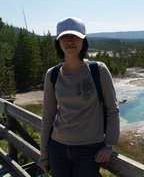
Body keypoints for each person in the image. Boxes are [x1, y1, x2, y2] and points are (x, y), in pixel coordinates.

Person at [38, 17, 120, 177]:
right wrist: (43, 153)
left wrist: (109, 145)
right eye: (65, 37)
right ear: (58, 42)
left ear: (83, 40)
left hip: (89, 150)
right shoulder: (52, 74)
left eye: (75, 36)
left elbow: (112, 109)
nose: (70, 41)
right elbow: (48, 115)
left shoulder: (98, 70)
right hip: (57, 148)